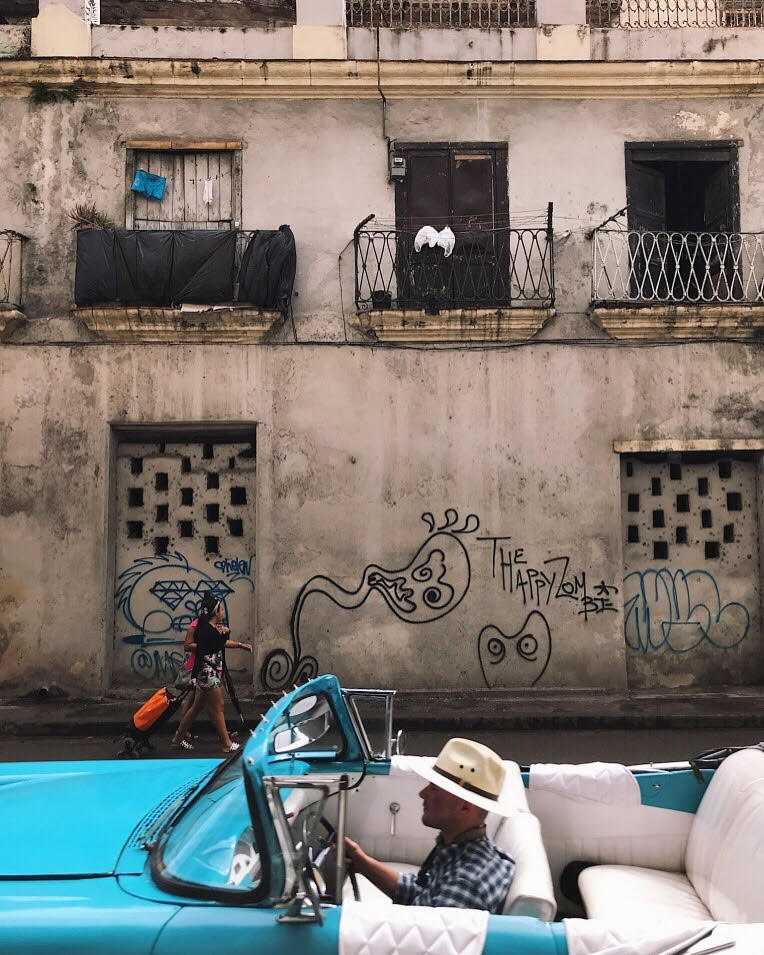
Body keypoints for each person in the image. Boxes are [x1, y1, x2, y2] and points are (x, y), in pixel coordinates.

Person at [344, 738, 516, 912]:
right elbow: (423, 895)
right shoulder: (462, 850)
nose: (422, 793)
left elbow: (415, 928)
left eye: (434, 788)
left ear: (465, 807)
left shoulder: (464, 886)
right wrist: (363, 864)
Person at [172, 596, 251, 754]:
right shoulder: (207, 629)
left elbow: (220, 643)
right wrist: (226, 635)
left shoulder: (209, 627)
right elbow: (207, 646)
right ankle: (226, 743)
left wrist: (240, 645)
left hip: (209, 672)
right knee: (218, 707)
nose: (223, 612)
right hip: (209, 673)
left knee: (196, 707)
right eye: (221, 609)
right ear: (216, 612)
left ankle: (177, 739)